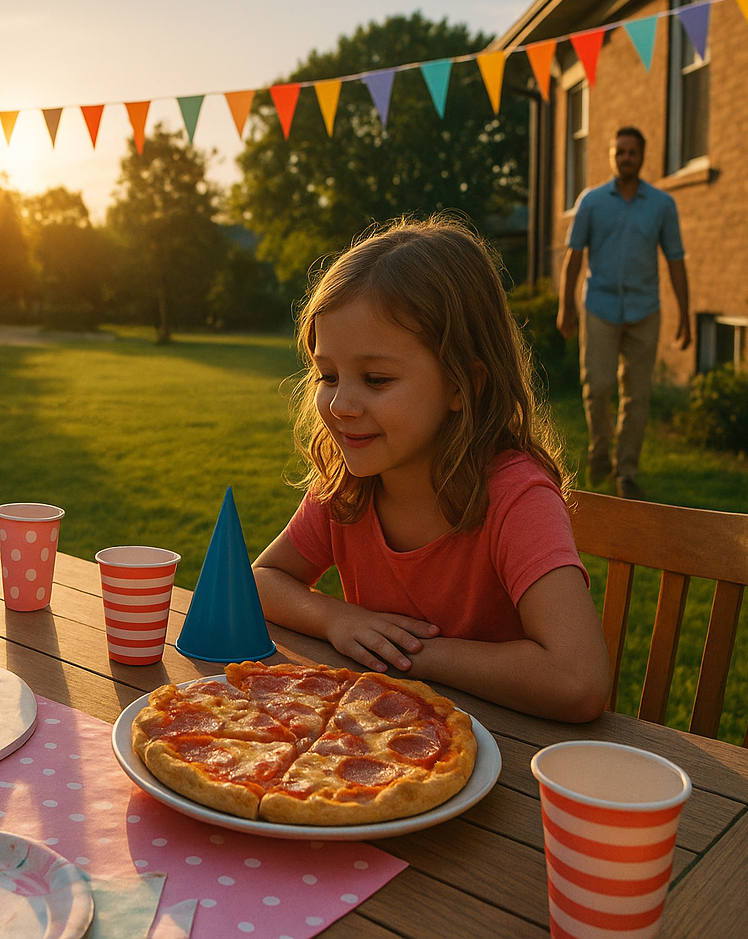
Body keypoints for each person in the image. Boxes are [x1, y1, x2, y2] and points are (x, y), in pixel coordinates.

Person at [252, 215, 610, 723]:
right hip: (378, 746)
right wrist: (336, 618)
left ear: (463, 385)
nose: (340, 404)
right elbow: (262, 580)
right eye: (327, 375)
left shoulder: (516, 497)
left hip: (512, 762)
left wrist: (407, 653)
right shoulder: (348, 485)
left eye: (376, 379)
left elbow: (578, 680)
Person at [558, 126, 690, 500]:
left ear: (643, 156)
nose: (626, 157)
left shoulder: (662, 205)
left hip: (645, 309)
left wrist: (685, 314)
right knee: (598, 386)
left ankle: (626, 470)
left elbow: (676, 260)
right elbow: (574, 257)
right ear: (611, 155)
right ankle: (600, 451)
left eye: (632, 152)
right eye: (620, 151)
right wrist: (565, 306)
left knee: (637, 394)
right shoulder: (592, 202)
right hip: (599, 306)